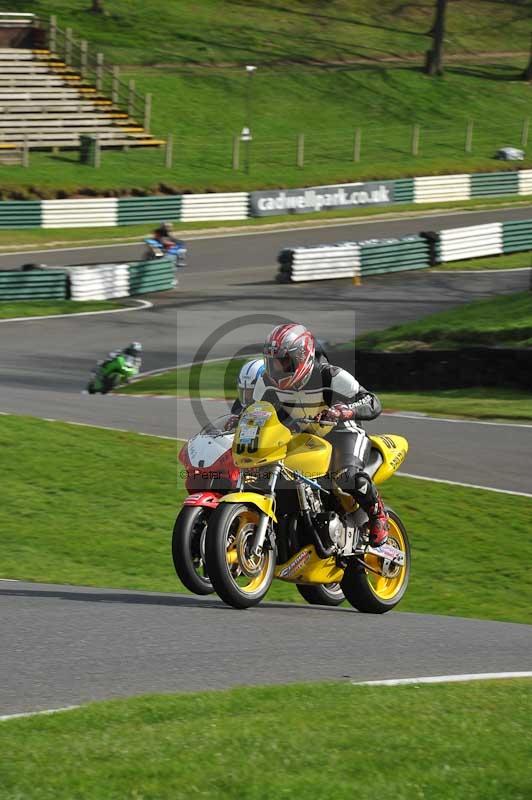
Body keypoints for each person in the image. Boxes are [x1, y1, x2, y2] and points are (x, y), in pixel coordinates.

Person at [252, 323, 389, 547]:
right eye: (272, 362)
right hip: (302, 437)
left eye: (283, 361)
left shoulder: (330, 376)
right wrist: (238, 419)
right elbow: (255, 411)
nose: (276, 368)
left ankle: (378, 517)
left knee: (347, 476)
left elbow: (372, 401)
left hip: (342, 434)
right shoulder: (266, 381)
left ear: (302, 356)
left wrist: (346, 410)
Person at [224, 358, 265, 429]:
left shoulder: (275, 406)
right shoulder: (238, 406)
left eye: (250, 391)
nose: (245, 396)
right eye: (242, 391)